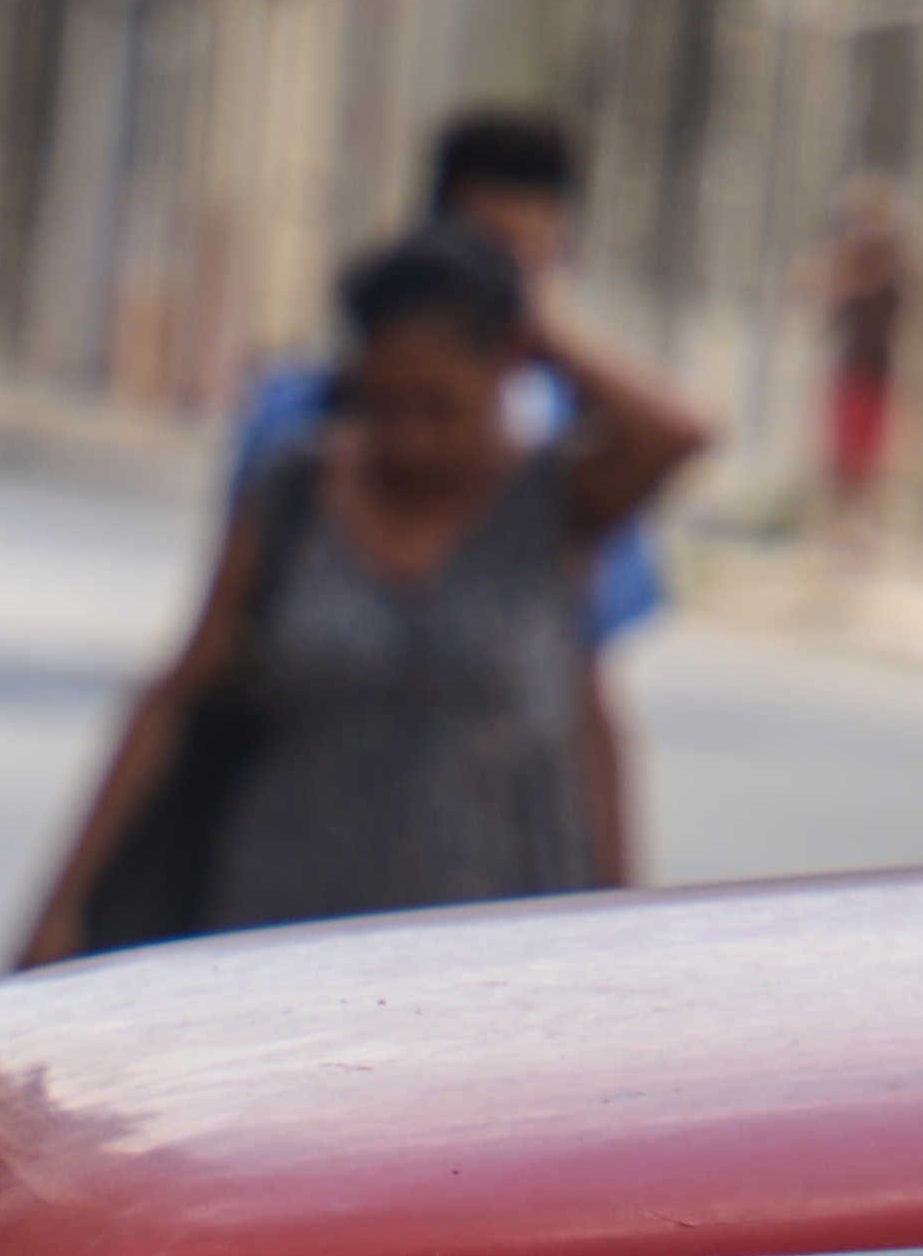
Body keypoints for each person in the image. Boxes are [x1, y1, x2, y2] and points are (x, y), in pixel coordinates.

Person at [22, 220, 706, 960]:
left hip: (499, 937)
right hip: (285, 919)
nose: (411, 438)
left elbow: (678, 432)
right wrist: (68, 902)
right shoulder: (296, 494)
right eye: (384, 405)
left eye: (440, 406)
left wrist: (540, 326)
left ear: (506, 367)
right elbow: (178, 694)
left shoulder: (557, 498)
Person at [230, 110, 661, 876]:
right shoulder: (298, 439)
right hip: (298, 863)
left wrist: (618, 905)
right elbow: (213, 659)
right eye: (481, 249)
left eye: (529, 260)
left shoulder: (561, 462)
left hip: (492, 877)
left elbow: (587, 686)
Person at [815, 178, 914, 529]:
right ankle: (842, 529)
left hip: (873, 372)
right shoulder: (857, 279)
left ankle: (856, 531)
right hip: (857, 370)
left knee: (867, 460)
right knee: (846, 460)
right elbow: (830, 313)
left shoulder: (888, 280)